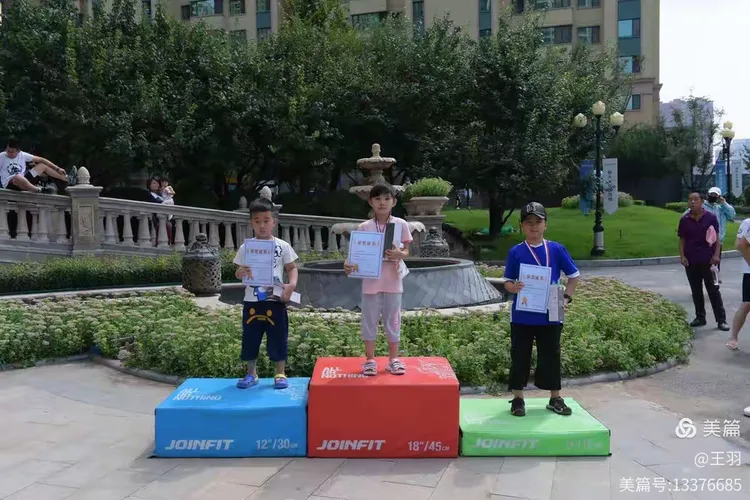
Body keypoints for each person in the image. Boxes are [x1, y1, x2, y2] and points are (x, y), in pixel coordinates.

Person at [503, 202, 580, 417]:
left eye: (538, 222)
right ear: (521, 226)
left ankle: (555, 397)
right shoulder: (516, 252)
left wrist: (566, 298)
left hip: (551, 313)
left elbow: (574, 276)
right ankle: (518, 399)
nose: (533, 226)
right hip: (522, 315)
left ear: (546, 224)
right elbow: (507, 281)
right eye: (528, 223)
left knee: (551, 355)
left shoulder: (556, 249)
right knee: (520, 355)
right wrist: (513, 287)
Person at [344, 182, 413, 376]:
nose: (382, 202)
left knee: (393, 320)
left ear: (394, 202)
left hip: (393, 280)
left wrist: (400, 253)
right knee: (369, 320)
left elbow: (407, 251)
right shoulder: (364, 227)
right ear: (370, 202)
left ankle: (394, 359)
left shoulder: (401, 224)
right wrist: (348, 265)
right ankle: (370, 360)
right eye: (378, 198)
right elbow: (354, 255)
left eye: (387, 198)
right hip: (370, 282)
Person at [233, 197, 298, 389]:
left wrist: (291, 285)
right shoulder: (246, 248)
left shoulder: (282, 245)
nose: (262, 225)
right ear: (251, 223)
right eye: (257, 221)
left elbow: (292, 267)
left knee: (278, 335)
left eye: (266, 220)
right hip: (252, 301)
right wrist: (240, 272)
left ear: (273, 222)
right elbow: (238, 272)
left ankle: (280, 373)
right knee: (250, 337)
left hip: (275, 300)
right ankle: (251, 374)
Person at [678, 192, 729, 331]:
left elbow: (717, 239)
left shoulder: (710, 217)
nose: (692, 202)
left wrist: (716, 255)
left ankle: (721, 320)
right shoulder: (684, 219)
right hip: (691, 260)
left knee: (713, 290)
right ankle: (700, 317)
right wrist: (682, 256)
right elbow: (682, 240)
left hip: (709, 260)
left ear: (702, 202)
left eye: (695, 199)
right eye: (690, 199)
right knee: (696, 290)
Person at [682, 187, 735, 273]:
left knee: (714, 267)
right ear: (708, 195)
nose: (713, 196)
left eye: (715, 195)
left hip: (717, 242)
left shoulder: (720, 208)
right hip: (702, 242)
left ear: (719, 197)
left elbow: (732, 215)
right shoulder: (701, 206)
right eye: (711, 194)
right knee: (703, 267)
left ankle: (714, 278)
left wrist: (724, 203)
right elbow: (685, 216)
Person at [0, 137, 68, 194]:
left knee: (42, 166)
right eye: (8, 151)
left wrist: (57, 168)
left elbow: (42, 160)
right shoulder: (2, 156)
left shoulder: (22, 155)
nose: (9, 153)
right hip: (10, 183)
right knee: (17, 177)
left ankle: (65, 179)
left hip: (24, 180)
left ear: (18, 151)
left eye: (12, 152)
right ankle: (39, 190)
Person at [727, 217, 750, 350]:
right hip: (749, 271)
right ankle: (733, 337)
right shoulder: (748, 223)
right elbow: (740, 244)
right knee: (747, 304)